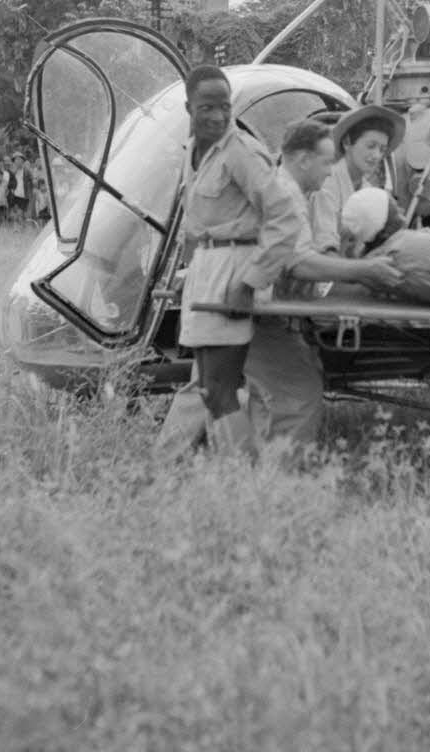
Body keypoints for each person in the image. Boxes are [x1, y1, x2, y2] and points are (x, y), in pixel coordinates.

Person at [162, 119, 406, 459]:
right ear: (303, 160)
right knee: (297, 393)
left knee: (206, 386)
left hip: (224, 295)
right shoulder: (284, 197)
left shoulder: (286, 190)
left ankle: (167, 466)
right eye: (326, 162)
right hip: (247, 307)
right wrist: (363, 270)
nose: (329, 171)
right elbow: (297, 262)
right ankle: (278, 482)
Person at [176, 65, 306, 456]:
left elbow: (286, 218)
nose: (217, 116)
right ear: (189, 108)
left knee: (219, 388)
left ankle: (243, 477)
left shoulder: (241, 153)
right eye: (206, 107)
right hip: (204, 272)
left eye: (224, 106)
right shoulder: (194, 153)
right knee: (208, 388)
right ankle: (232, 472)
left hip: (233, 273)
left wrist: (249, 282)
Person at [310, 104, 406, 254]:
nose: (376, 156)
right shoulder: (327, 182)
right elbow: (325, 242)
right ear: (347, 142)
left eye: (382, 149)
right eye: (371, 146)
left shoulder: (368, 190)